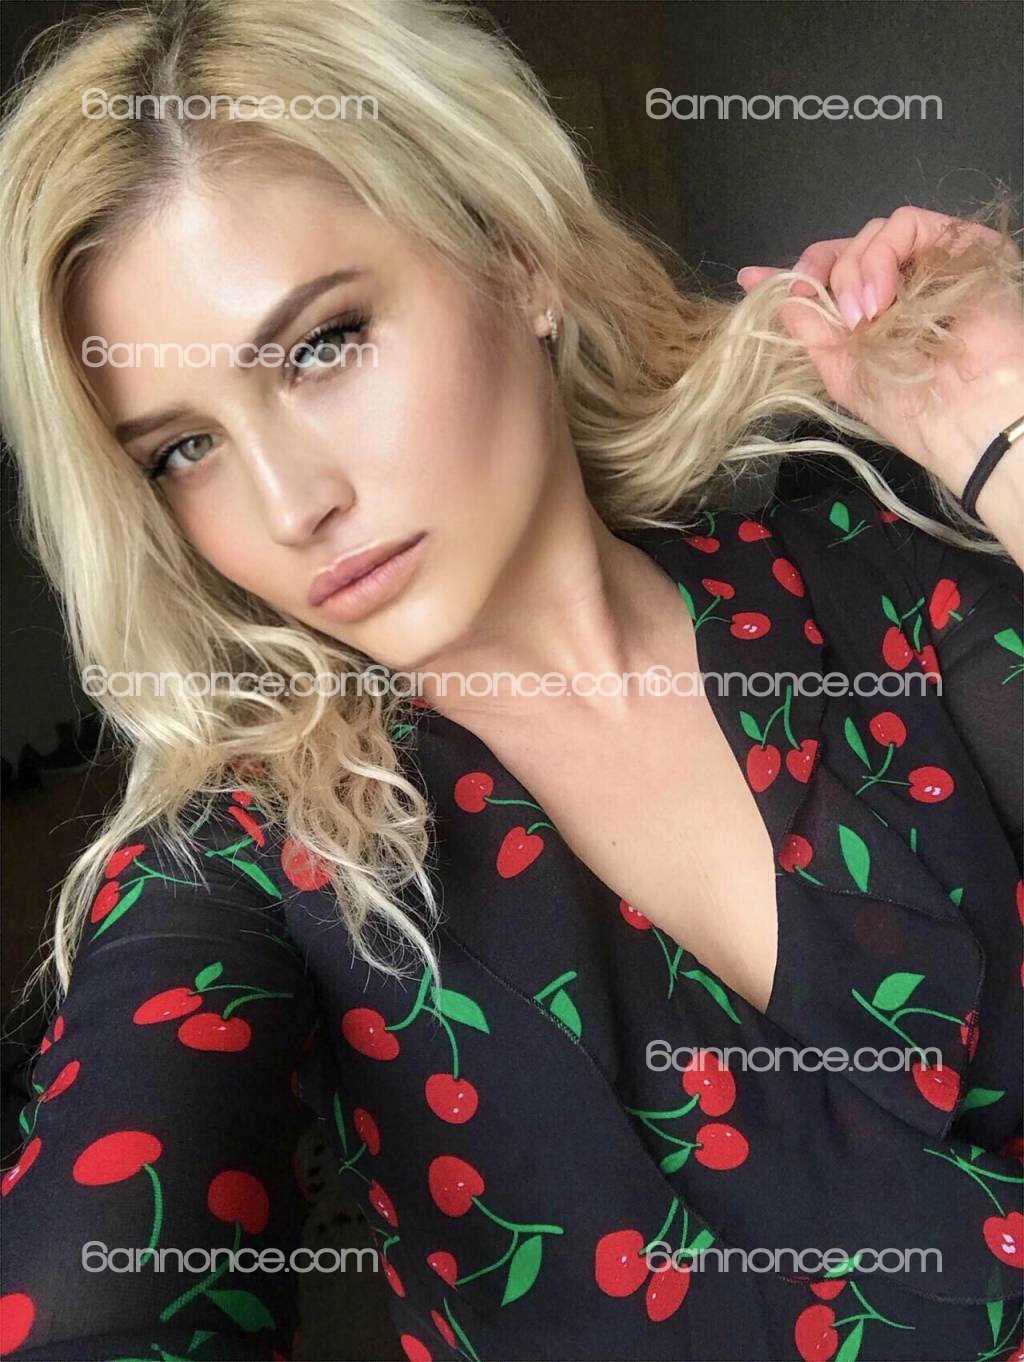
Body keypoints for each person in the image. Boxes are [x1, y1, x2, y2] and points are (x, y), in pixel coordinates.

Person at [1, 1, 1022, 1358]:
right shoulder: (254, 868)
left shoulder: (883, 576)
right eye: (183, 449)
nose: (292, 504)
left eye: (321, 346)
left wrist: (1003, 424)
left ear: (518, 257)